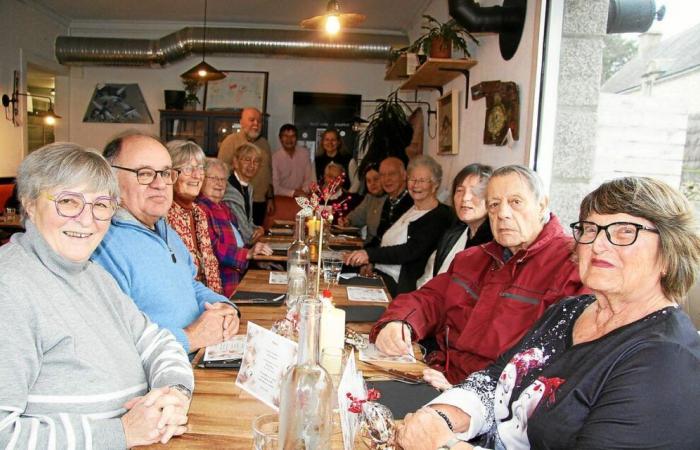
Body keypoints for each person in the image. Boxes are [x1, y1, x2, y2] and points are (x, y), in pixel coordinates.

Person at [397, 176, 700, 450]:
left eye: (625, 232)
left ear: (671, 253)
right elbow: (495, 380)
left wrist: (444, 445)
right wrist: (442, 418)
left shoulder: (665, 360)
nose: (598, 244)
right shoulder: (570, 310)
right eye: (591, 229)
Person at [0, 143, 193, 448]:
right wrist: (121, 432)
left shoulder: (93, 276)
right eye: (68, 201)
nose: (87, 219)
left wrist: (173, 393)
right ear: (30, 202)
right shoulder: (8, 289)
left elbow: (158, 342)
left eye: (101, 204)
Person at [370, 165, 585, 386]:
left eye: (515, 202)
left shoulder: (572, 266)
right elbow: (430, 298)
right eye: (494, 205)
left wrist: (468, 395)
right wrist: (399, 322)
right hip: (440, 377)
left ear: (542, 205)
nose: (503, 214)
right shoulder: (472, 258)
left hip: (496, 403)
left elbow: (557, 364)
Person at [94, 132, 239, 355]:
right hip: (161, 380)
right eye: (145, 174)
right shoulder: (103, 245)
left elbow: (189, 284)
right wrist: (190, 337)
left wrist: (224, 307)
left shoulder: (164, 228)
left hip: (198, 356)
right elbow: (113, 343)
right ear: (110, 179)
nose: (160, 184)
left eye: (165, 173)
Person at [345, 156, 452, 295]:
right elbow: (383, 238)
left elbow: (410, 251)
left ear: (435, 184)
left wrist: (369, 255)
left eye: (422, 180)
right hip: (380, 274)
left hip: (398, 286)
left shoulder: (439, 216)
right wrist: (371, 262)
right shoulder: (413, 208)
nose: (415, 185)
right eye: (412, 179)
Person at [198, 157, 272, 297]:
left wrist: (254, 256)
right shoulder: (202, 209)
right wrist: (248, 254)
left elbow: (241, 242)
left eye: (223, 179)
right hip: (223, 282)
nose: (219, 183)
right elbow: (212, 249)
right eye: (213, 178)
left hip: (240, 272)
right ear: (201, 179)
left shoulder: (224, 207)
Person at [418, 164, 494, 287]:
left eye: (476, 191)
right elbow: (430, 278)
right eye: (460, 190)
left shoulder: (494, 246)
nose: (465, 198)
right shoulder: (452, 235)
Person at [165, 140, 223, 293]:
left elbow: (211, 266)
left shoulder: (199, 213)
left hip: (208, 302)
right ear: (169, 173)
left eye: (200, 168)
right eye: (188, 169)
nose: (197, 176)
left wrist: (220, 302)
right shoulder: (163, 216)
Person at [217, 107, 274, 225]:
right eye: (252, 120)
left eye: (259, 121)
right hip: (237, 200)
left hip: (260, 201)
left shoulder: (265, 144)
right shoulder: (230, 141)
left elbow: (268, 173)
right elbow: (221, 171)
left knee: (255, 234)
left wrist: (270, 198)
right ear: (242, 122)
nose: (256, 124)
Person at [366, 156, 414, 247]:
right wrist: (363, 251)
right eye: (382, 175)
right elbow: (380, 237)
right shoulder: (389, 201)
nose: (386, 179)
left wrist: (369, 254)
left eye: (391, 174)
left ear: (404, 175)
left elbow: (403, 246)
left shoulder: (412, 203)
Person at [223, 143, 265, 245]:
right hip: (232, 247)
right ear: (236, 162)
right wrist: (258, 233)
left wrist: (260, 229)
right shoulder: (229, 190)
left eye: (256, 161)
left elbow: (248, 222)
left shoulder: (248, 187)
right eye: (247, 160)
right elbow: (246, 236)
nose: (252, 165)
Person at [338, 163, 385, 244]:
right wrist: (347, 221)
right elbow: (357, 216)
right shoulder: (369, 198)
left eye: (376, 179)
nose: (372, 184)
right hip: (368, 246)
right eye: (368, 181)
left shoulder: (390, 199)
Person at [272, 123, 314, 197]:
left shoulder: (305, 154)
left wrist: (303, 190)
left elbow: (309, 179)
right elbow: (275, 188)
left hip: (303, 196)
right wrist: (294, 193)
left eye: (292, 136)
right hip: (282, 198)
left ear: (296, 138)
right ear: (280, 138)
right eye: (285, 136)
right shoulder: (275, 158)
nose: (289, 139)